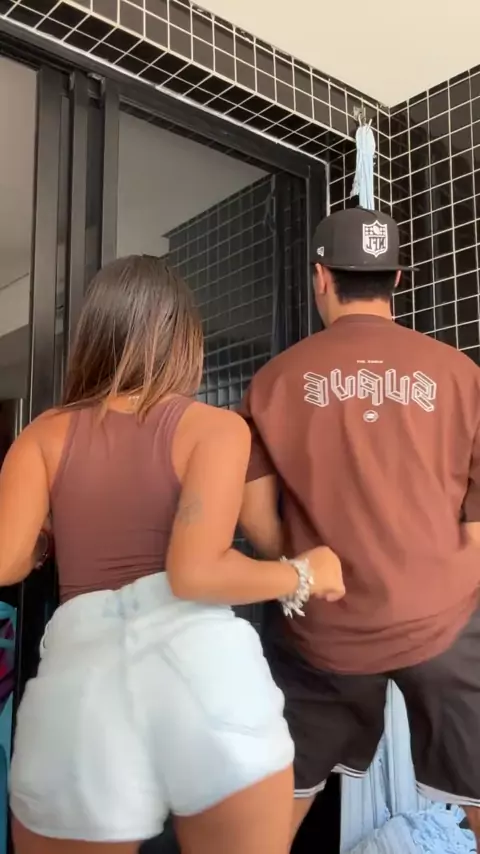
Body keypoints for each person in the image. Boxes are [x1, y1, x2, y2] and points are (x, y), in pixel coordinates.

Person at [0, 256, 345, 854]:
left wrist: (45, 537)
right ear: (185, 340)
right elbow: (196, 571)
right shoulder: (214, 428)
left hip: (82, 687)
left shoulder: (42, 435)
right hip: (201, 674)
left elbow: (6, 562)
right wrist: (303, 573)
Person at [238, 207, 480, 849]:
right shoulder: (461, 374)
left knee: (280, 799)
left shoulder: (273, 382)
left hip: (324, 632)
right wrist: (453, 576)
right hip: (444, 621)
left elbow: (254, 517)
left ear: (320, 277)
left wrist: (302, 571)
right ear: (395, 279)